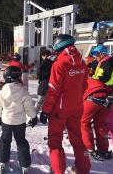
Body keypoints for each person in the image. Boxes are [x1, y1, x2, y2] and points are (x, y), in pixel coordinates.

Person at [41, 34, 91, 173]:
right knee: (78, 141)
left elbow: (53, 90)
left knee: (55, 143)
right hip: (76, 108)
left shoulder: (60, 63)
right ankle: (84, 169)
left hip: (59, 111)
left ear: (58, 46)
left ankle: (58, 170)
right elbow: (85, 85)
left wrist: (45, 110)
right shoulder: (81, 62)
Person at [0, 66, 37, 174]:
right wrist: (33, 117)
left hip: (7, 121)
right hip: (19, 122)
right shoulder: (23, 91)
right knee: (21, 142)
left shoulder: (2, 91)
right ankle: (25, 166)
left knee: (5, 141)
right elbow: (28, 107)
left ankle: (2, 162)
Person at [81, 45, 113, 160]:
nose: (95, 58)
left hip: (97, 94)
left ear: (102, 53)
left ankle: (89, 148)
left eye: (96, 55)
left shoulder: (109, 62)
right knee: (100, 124)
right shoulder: (101, 63)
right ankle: (104, 149)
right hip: (107, 94)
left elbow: (104, 77)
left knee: (83, 122)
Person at [35, 50, 54, 115]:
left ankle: (32, 118)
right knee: (49, 102)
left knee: (39, 101)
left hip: (44, 84)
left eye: (42, 56)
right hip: (53, 84)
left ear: (45, 55)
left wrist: (40, 78)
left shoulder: (45, 62)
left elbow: (39, 72)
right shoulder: (55, 61)